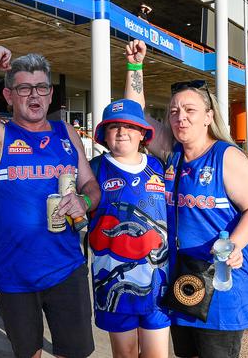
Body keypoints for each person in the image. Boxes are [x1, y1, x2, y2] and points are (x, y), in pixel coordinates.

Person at [125, 39, 248, 358]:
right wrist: (135, 66)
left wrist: (235, 244)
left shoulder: (226, 157)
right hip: (181, 283)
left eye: (190, 110)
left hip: (220, 289)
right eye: (174, 111)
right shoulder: (171, 153)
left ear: (208, 116)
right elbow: (134, 115)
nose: (180, 118)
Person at [0, 46, 100, 358]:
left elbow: (90, 183)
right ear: (9, 96)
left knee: (75, 353)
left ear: (50, 94)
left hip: (67, 269)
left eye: (41, 88)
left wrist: (85, 200)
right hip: (16, 276)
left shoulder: (68, 133)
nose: (34, 96)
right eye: (24, 88)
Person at [88, 98, 172, 358]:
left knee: (156, 355)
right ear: (104, 134)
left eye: (129, 126)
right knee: (124, 354)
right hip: (113, 282)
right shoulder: (94, 169)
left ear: (142, 133)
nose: (122, 132)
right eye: (113, 127)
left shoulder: (159, 167)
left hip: (159, 281)